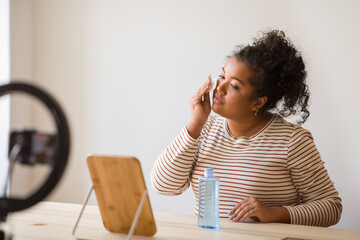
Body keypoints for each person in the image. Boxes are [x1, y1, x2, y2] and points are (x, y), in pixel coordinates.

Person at [150, 30, 342, 227]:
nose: (219, 88)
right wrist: (195, 124)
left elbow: (331, 207)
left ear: (258, 102)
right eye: (222, 76)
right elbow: (163, 186)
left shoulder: (292, 140)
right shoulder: (204, 129)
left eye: (234, 86)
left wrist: (274, 213)